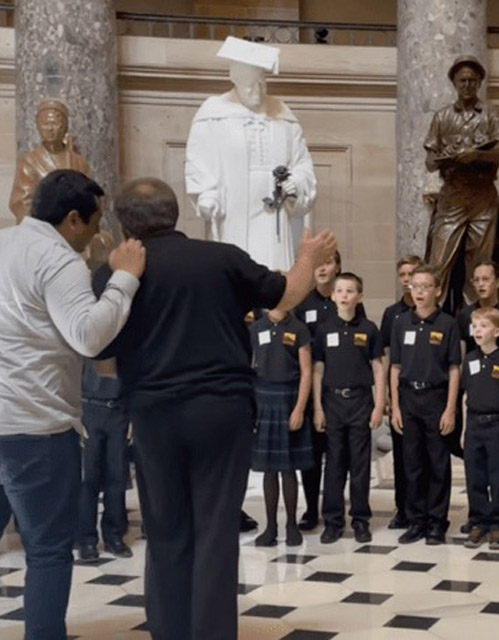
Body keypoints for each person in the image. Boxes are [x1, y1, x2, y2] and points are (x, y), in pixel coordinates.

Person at [91, 177, 335, 640]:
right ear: (176, 212)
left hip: (153, 412)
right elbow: (285, 295)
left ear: (123, 222)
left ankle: (169, 631)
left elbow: (100, 358)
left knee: (164, 529)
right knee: (216, 529)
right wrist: (309, 258)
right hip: (222, 411)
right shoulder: (220, 258)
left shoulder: (114, 272)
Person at [0, 170, 146, 639]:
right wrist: (123, 280)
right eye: (93, 222)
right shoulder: (58, 259)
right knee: (47, 550)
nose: (96, 233)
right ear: (72, 219)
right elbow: (88, 336)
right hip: (32, 430)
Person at [185, 37, 317, 271]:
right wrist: (206, 194)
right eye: (249, 86)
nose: (257, 91)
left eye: (261, 84)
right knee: (236, 264)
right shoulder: (213, 114)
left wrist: (295, 184)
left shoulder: (283, 114)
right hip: (234, 207)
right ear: (236, 82)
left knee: (274, 269)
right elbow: (199, 160)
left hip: (275, 213)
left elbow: (302, 163)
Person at [424, 56, 499, 304]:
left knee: (480, 267)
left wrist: (477, 155)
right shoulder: (442, 118)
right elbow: (430, 162)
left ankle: (478, 318)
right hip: (452, 196)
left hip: (482, 197)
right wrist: (448, 158)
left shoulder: (492, 114)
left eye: (473, 80)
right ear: (454, 82)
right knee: (438, 262)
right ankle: (430, 316)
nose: (467, 85)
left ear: (479, 83)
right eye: (462, 80)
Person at [311, 272, 386, 544]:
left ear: (359, 296)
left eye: (350, 291)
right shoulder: (323, 329)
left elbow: (378, 368)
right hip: (331, 403)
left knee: (360, 465)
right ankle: (332, 520)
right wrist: (317, 407)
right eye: (339, 290)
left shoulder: (368, 329)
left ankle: (361, 519)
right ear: (332, 295)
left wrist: (379, 404)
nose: (344, 295)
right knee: (333, 465)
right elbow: (318, 370)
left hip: (360, 402)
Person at [389, 265, 461, 545]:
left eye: (425, 286)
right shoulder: (401, 322)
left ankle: (436, 522)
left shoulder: (447, 324)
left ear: (437, 290)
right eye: (415, 286)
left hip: (436, 399)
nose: (419, 291)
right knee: (412, 464)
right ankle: (416, 520)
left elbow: (454, 368)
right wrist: (395, 406)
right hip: (408, 399)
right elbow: (395, 366)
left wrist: (450, 408)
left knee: (437, 464)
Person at [249, 306, 314, 548]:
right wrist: (251, 408)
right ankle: (271, 526)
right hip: (263, 398)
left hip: (289, 397)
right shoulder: (256, 328)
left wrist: (299, 408)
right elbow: (248, 369)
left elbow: (307, 371)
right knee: (268, 469)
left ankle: (291, 525)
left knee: (288, 467)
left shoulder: (298, 329)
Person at [460, 307, 499, 550]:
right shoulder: (470, 359)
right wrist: (464, 429)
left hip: (498, 425)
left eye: (483, 326)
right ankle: (478, 522)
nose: (477, 331)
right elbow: (466, 395)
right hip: (474, 423)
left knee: (497, 476)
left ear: (497, 331)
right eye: (475, 326)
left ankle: (498, 524)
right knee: (475, 476)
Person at [293, 250, 340, 531]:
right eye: (318, 263)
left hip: (337, 387)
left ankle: (333, 507)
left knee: (336, 453)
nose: (322, 268)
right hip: (311, 388)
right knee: (311, 454)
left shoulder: (344, 299)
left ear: (337, 267)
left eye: (328, 263)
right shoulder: (303, 303)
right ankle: (311, 509)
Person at [380, 255, 421, 530]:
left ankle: (423, 509)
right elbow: (386, 355)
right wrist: (385, 394)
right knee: (401, 455)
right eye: (403, 274)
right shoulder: (392, 314)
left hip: (426, 393)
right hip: (400, 392)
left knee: (422, 458)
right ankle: (402, 509)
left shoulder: (432, 312)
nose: (407, 280)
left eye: (412, 274)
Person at [76, 362, 132, 563]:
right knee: (88, 479)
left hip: (119, 410)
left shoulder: (121, 335)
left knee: (117, 477)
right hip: (88, 408)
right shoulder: (85, 336)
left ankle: (114, 536)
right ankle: (86, 540)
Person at [9, 99, 93, 221]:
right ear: (38, 127)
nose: (50, 129)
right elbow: (20, 203)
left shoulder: (79, 163)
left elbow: (89, 199)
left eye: (55, 124)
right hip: (41, 228)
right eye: (45, 124)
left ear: (65, 127)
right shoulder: (29, 162)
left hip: (73, 227)